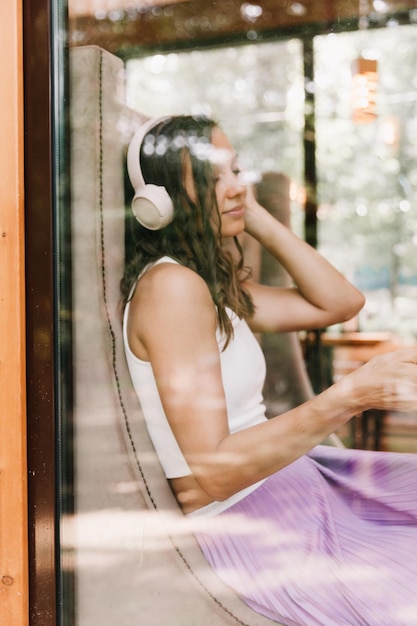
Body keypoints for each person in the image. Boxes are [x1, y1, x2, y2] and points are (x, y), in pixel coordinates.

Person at [122, 115, 417, 625]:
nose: (237, 185)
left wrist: (251, 213)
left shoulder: (205, 287)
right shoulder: (171, 290)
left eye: (235, 169)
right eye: (215, 179)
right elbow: (212, 474)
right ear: (162, 201)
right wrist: (348, 396)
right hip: (250, 521)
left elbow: (340, 302)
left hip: (295, 486)